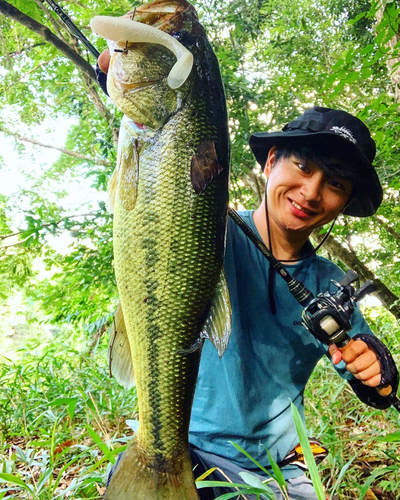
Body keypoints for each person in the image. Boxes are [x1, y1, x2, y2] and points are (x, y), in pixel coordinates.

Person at [97, 53, 398, 499]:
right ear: (272, 160)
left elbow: (379, 388)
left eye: (335, 183)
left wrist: (376, 368)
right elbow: (165, 173)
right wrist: (129, 78)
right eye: (303, 166)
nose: (311, 192)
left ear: (345, 201)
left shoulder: (331, 287)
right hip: (185, 446)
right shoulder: (202, 229)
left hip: (276, 463)